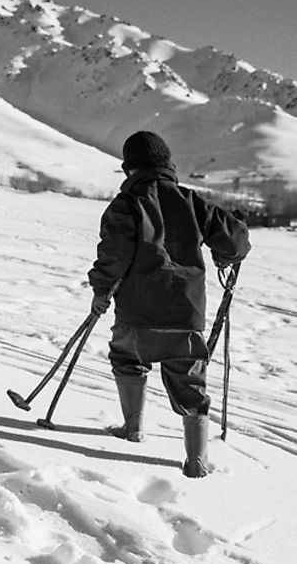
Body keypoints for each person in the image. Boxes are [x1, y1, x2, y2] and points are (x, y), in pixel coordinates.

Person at [88, 130, 249, 478]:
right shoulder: (192, 202)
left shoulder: (125, 205)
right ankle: (196, 460)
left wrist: (101, 291)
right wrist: (226, 246)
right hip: (185, 315)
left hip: (136, 313)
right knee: (189, 383)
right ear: (168, 164)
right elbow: (235, 242)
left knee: (127, 358)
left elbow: (113, 256)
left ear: (128, 168)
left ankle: (132, 428)